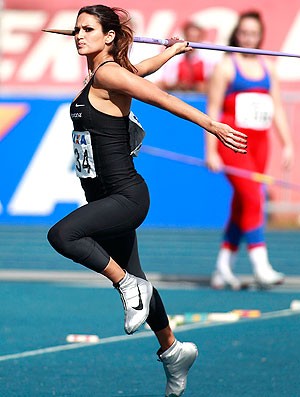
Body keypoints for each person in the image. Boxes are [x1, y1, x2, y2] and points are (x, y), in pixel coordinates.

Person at [46, 5, 247, 396]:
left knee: (63, 236)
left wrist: (213, 125)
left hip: (125, 197)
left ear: (108, 36)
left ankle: (127, 286)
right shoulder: (108, 74)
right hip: (106, 197)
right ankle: (173, 351)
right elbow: (141, 72)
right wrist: (171, 53)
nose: (78, 35)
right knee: (140, 282)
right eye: (76, 29)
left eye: (87, 29)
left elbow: (159, 97)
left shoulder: (107, 73)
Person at [206, 10, 293, 290]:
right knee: (254, 195)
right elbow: (213, 110)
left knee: (243, 203)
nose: (249, 38)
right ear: (237, 34)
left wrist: (288, 143)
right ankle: (260, 265)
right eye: (244, 32)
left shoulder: (269, 68)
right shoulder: (227, 67)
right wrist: (211, 150)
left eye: (254, 33)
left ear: (260, 36)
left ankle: (222, 267)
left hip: (260, 146)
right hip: (233, 143)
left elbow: (277, 107)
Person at [157, 21, 209, 93]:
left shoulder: (208, 59)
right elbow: (164, 82)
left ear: (200, 38)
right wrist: (177, 85)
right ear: (185, 37)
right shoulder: (174, 57)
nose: (192, 41)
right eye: (190, 37)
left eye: (195, 38)